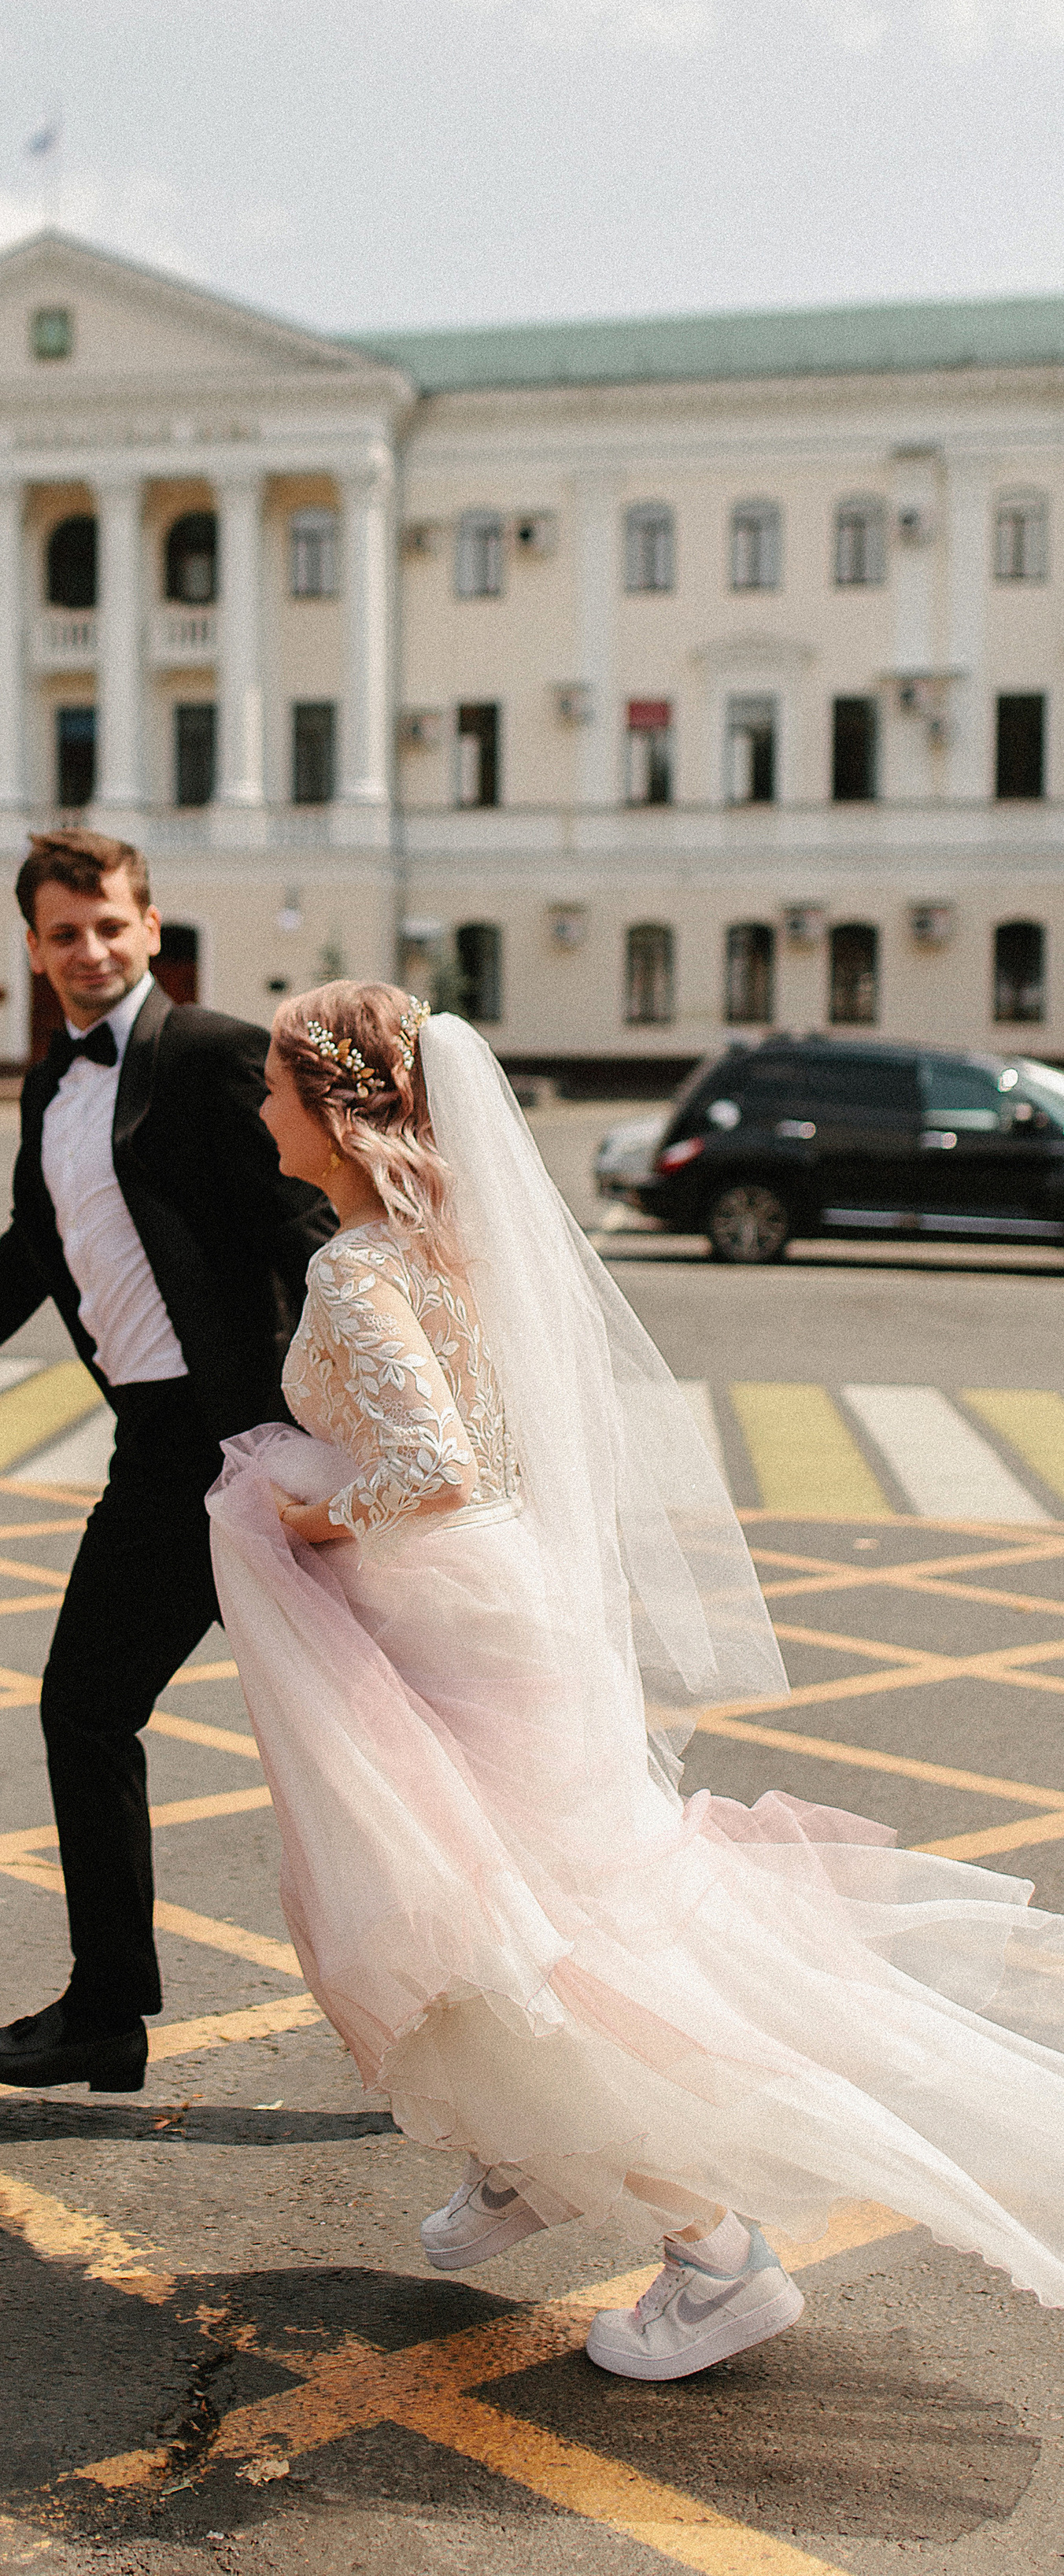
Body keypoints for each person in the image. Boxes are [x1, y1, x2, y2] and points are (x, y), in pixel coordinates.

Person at [208, 980, 1064, 2381]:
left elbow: (431, 1466)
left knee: (516, 1939)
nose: (259, 1108)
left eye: (274, 1087)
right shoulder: (466, 1242)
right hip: (507, 1604)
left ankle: (713, 2259)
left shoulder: (356, 1270)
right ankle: (520, 2162)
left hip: (453, 1617)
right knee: (533, 1903)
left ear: (337, 1113)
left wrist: (291, 1517)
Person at [0, 830, 331, 2092]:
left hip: (247, 1447)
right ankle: (108, 2011)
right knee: (118, 1709)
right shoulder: (50, 1087)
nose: (90, 949)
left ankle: (503, 2003)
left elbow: (314, 1235)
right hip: (155, 1446)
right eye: (64, 932)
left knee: (358, 1731)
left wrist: (356, 1429)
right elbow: (29, 1254)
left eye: (109, 924)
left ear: (153, 929)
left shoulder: (217, 1054)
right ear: (31, 948)